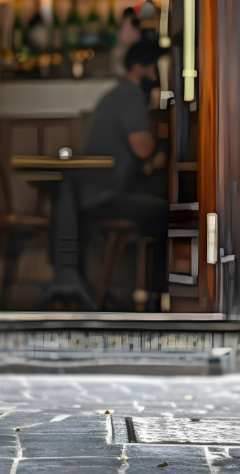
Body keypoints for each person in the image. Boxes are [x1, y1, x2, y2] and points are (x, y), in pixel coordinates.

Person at [78, 39, 169, 309]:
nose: (158, 77)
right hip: (105, 197)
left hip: (96, 193)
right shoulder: (131, 95)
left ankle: (148, 293)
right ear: (142, 67)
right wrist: (161, 143)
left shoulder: (117, 93)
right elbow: (142, 148)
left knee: (158, 203)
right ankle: (160, 297)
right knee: (168, 213)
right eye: (156, 68)